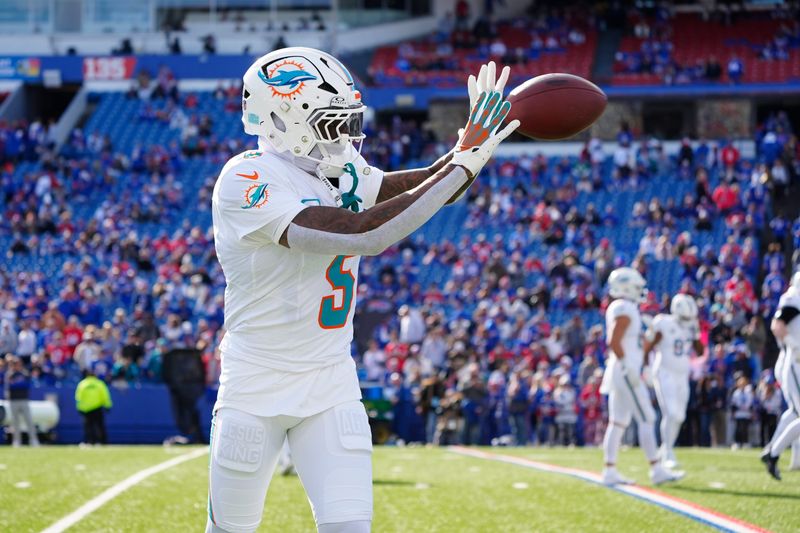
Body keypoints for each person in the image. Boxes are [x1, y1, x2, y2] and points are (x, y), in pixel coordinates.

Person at [207, 50, 518, 533]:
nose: (346, 138)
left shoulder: (337, 167)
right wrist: (461, 168)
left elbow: (403, 192)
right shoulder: (246, 177)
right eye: (332, 125)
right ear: (285, 119)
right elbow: (361, 233)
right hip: (256, 385)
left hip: (330, 381)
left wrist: (463, 155)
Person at [600, 267, 683, 485]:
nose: (640, 290)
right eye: (637, 287)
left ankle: (610, 470)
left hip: (622, 368)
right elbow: (614, 340)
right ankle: (656, 469)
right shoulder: (624, 307)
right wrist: (629, 366)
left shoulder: (626, 307)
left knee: (618, 422)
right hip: (625, 369)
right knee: (647, 417)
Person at [643, 293, 704, 469]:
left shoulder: (691, 325)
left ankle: (665, 447)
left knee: (680, 415)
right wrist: (646, 367)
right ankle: (668, 451)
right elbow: (648, 345)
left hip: (682, 374)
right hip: (664, 372)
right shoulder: (663, 322)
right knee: (671, 412)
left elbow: (699, 351)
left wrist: (696, 334)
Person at [762, 273, 800, 480]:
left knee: (796, 414)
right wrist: (794, 346)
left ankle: (773, 453)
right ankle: (773, 453)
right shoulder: (793, 297)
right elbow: (777, 325)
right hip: (796, 362)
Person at [3, 355, 40, 447]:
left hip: (24, 400)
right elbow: (10, 387)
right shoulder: (10, 374)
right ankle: (16, 441)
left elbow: (25, 385)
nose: (16, 366)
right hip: (13, 401)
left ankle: (34, 440)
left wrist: (17, 383)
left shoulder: (25, 374)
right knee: (15, 422)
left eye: (18, 364)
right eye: (14, 364)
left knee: (29, 421)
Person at [75, 369, 113, 445]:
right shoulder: (99, 383)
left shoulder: (82, 384)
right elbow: (105, 396)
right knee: (99, 426)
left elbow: (78, 398)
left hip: (86, 409)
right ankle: (102, 442)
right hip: (97, 408)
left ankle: (89, 441)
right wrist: (108, 406)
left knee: (88, 426)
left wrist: (79, 408)